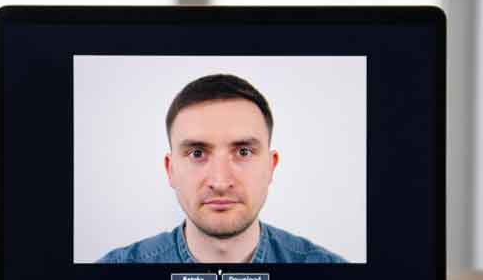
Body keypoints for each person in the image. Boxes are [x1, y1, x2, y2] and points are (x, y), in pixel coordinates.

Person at [98, 74, 345, 263]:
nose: (220, 182)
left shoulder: (332, 274)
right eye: (197, 153)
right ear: (170, 170)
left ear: (271, 166)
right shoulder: (112, 275)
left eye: (243, 152)